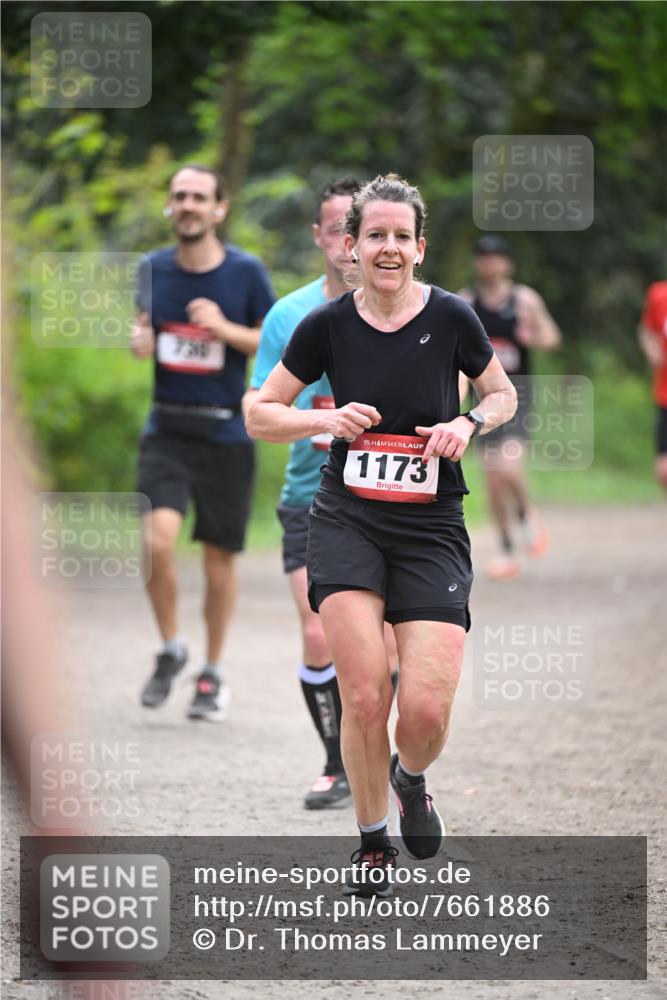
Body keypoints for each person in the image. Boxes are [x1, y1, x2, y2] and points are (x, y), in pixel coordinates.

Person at [247, 174, 516, 894]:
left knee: (423, 708)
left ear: (419, 248)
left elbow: (500, 392)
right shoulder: (324, 327)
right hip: (346, 521)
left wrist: (467, 423)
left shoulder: (454, 318)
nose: (387, 247)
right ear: (349, 247)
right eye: (374, 236)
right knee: (365, 695)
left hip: (431, 527)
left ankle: (411, 777)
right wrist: (321, 420)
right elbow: (258, 412)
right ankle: (371, 841)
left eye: (401, 236)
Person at [244, 178, 399, 811]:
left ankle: (379, 756)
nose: (344, 241)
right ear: (321, 236)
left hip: (388, 499)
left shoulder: (407, 310)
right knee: (317, 637)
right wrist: (319, 421)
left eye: (352, 228)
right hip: (308, 499)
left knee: (386, 647)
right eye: (334, 228)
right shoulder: (291, 315)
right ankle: (337, 762)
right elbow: (257, 403)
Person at [131, 165, 274, 720]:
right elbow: (145, 329)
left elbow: (274, 338)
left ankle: (211, 673)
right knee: (158, 542)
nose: (188, 205)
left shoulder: (245, 272)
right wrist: (141, 340)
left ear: (220, 208)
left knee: (219, 558)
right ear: (170, 207)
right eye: (179, 196)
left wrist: (224, 330)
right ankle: (171, 649)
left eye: (199, 197)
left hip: (225, 430)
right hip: (166, 427)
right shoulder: (150, 269)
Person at [459, 236, 561, 581]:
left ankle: (527, 514)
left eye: (496, 258)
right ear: (477, 263)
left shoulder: (524, 299)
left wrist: (532, 332)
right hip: (483, 399)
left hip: (519, 396)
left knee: (510, 468)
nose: (490, 264)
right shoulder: (466, 301)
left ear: (507, 264)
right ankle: (505, 550)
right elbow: (454, 351)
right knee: (491, 480)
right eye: (484, 257)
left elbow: (552, 338)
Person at [637, 280, 667, 493]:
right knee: (663, 470)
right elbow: (646, 329)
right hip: (665, 394)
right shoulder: (659, 294)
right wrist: (651, 350)